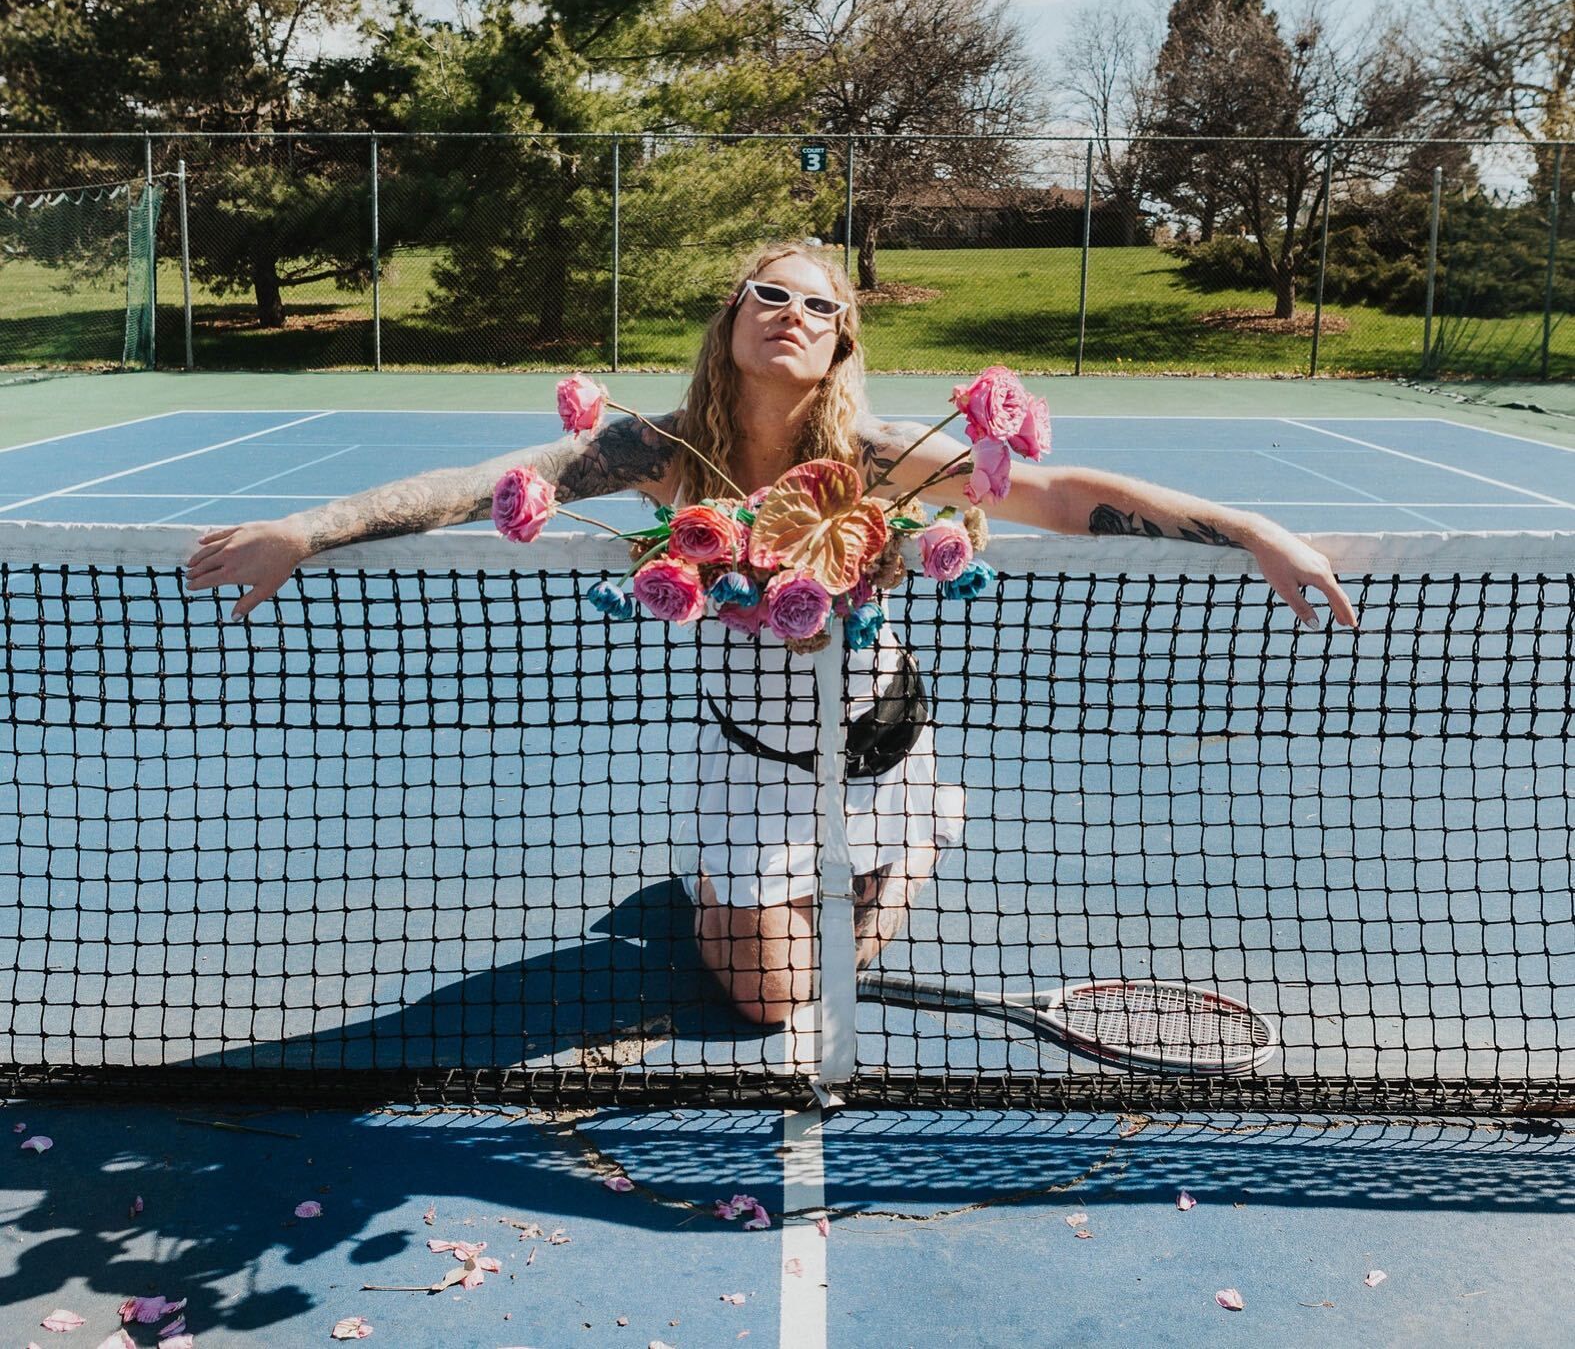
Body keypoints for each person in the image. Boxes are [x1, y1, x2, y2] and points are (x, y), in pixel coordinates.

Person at [183, 241, 1357, 1030]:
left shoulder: (879, 455)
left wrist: (1249, 527)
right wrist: (308, 527)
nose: (791, 313)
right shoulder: (658, 454)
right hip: (749, 755)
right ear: (731, 320)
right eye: (769, 294)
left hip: (880, 745)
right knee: (768, 1000)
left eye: (819, 306)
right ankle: (764, 894)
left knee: (834, 941)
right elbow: (494, 479)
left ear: (844, 343)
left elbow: (1063, 495)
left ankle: (915, 841)